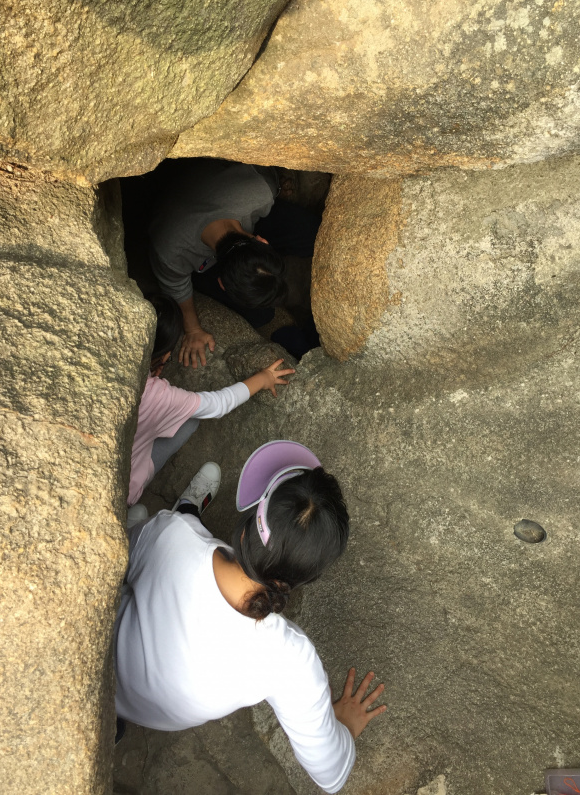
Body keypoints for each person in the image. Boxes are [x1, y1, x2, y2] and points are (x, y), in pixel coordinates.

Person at [115, 441, 386, 793]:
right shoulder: (290, 659)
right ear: (303, 579)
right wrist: (343, 728)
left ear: (247, 526)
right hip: (152, 713)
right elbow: (331, 776)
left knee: (144, 537)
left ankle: (187, 510)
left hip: (102, 664)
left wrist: (161, 532)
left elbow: (120, 552)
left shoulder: (173, 535)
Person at [146, 158, 321, 368]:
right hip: (174, 206)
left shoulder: (261, 192)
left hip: (230, 198)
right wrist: (192, 329)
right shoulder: (171, 250)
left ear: (262, 240)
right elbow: (176, 285)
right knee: (261, 315)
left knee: (315, 234)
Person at [128, 294, 294, 509]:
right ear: (165, 355)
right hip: (128, 484)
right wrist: (263, 378)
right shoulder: (156, 395)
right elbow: (217, 404)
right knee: (190, 420)